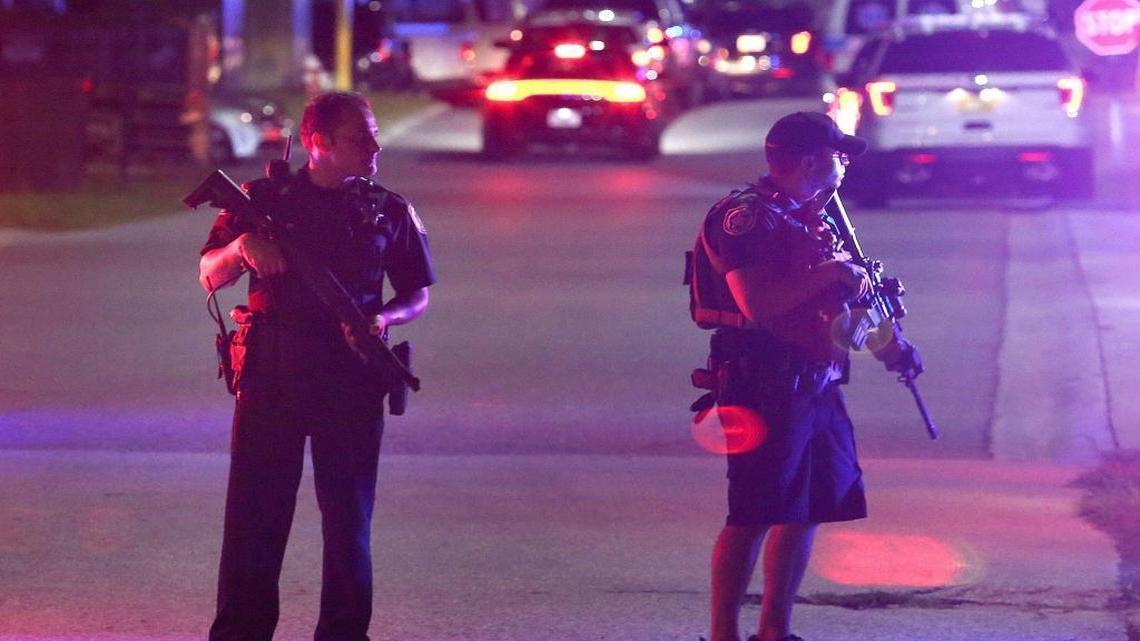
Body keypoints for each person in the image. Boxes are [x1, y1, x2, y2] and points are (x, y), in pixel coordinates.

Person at [198, 91, 436, 641]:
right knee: (255, 520)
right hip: (270, 378)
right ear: (317, 143)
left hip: (351, 379)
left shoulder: (387, 208)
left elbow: (418, 293)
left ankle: (345, 632)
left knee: (349, 521)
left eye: (375, 135)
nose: (374, 148)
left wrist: (382, 320)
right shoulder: (262, 201)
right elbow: (209, 274)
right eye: (360, 138)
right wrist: (242, 249)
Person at [687, 112, 922, 641]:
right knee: (752, 512)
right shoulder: (746, 218)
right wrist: (831, 272)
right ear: (812, 160)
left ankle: (775, 631)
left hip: (817, 380)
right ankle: (723, 635)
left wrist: (890, 347)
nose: (844, 163)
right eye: (838, 154)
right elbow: (761, 304)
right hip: (762, 380)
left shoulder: (817, 217)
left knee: (808, 506)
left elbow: (840, 307)